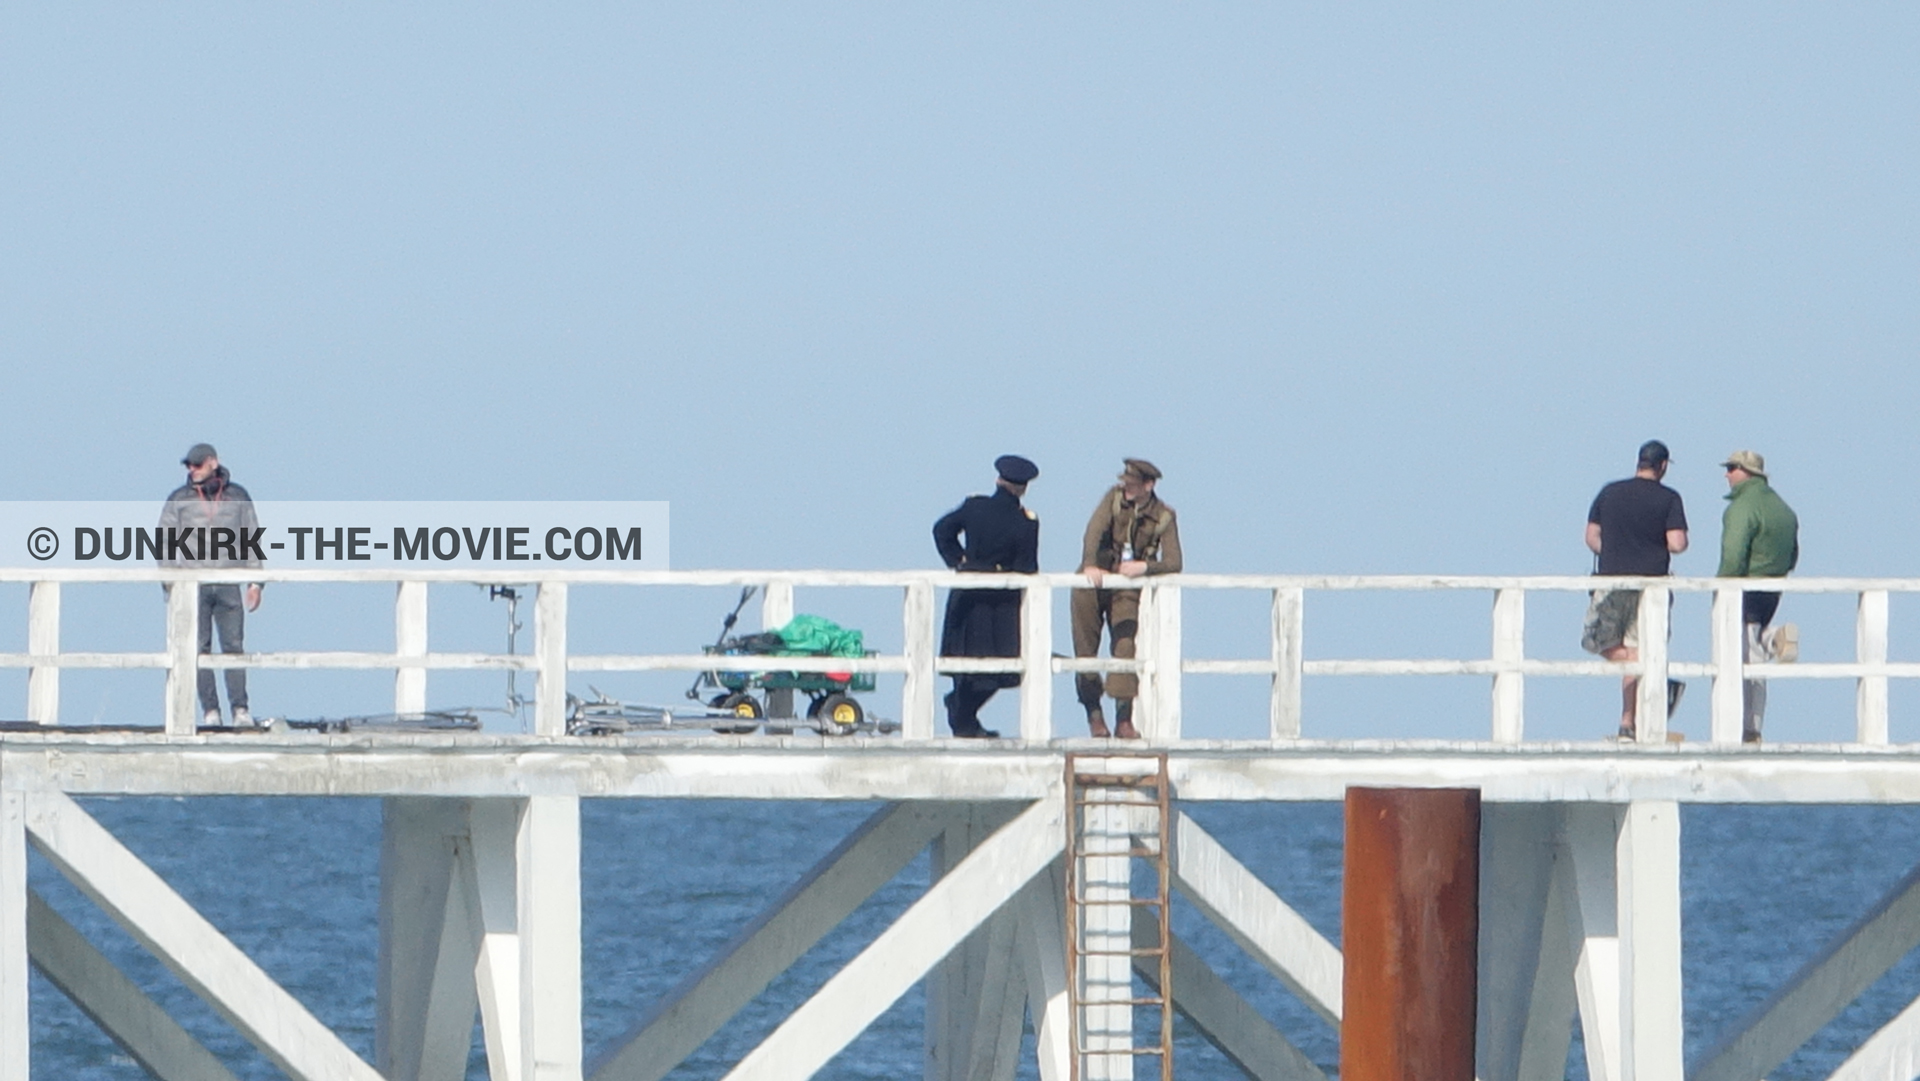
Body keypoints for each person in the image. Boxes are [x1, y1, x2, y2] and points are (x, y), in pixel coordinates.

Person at [1583, 440, 1689, 739]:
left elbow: (1591, 536)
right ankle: (1642, 702)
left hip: (1611, 582)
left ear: (1639, 462)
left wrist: (1615, 550)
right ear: (1663, 465)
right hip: (1651, 589)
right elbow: (1677, 543)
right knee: (1642, 649)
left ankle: (1629, 722)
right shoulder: (1669, 498)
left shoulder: (1610, 492)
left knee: (1597, 642)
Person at [1072, 458, 1183, 739]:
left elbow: (1175, 561)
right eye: (1125, 483)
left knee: (1125, 647)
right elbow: (1093, 530)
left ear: (1149, 485)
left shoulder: (1164, 516)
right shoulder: (1113, 498)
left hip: (1127, 587)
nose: (1126, 488)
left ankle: (1124, 718)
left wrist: (1145, 567)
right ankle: (1094, 716)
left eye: (1132, 485)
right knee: (1085, 649)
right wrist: (1089, 564)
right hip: (1094, 579)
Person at [932, 455, 1041, 738]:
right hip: (1000, 605)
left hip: (967, 596)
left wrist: (959, 560)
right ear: (1023, 487)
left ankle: (962, 716)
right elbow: (1027, 567)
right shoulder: (1025, 521)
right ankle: (962, 717)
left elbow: (941, 530)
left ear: (998, 480)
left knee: (965, 665)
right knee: (1001, 669)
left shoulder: (974, 506)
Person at [159, 443, 265, 728]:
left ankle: (240, 710)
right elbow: (165, 542)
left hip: (229, 581)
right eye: (188, 466)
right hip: (193, 585)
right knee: (198, 648)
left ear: (213, 463)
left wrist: (255, 582)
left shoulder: (237, 496)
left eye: (197, 465)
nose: (192, 470)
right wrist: (171, 583)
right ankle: (210, 712)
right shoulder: (179, 499)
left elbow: (251, 538)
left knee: (233, 646)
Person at [1718, 450, 1800, 744]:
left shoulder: (1741, 509)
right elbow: (1792, 556)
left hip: (1746, 589)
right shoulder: (1783, 508)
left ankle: (1749, 728)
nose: (1726, 474)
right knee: (1755, 642)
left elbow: (1733, 556)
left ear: (1745, 472)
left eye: (1730, 468)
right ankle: (1774, 636)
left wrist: (1722, 590)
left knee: (1746, 658)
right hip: (1773, 589)